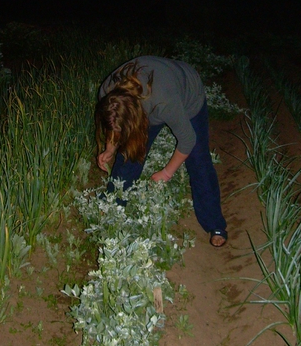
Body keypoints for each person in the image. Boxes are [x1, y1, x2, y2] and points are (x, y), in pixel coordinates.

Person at [95, 56, 227, 247]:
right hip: (151, 96)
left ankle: (214, 222)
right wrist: (110, 148)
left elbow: (188, 139)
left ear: (138, 120)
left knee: (198, 159)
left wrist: (167, 172)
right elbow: (115, 125)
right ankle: (113, 204)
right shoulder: (107, 93)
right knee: (130, 153)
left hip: (187, 91)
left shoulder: (165, 102)